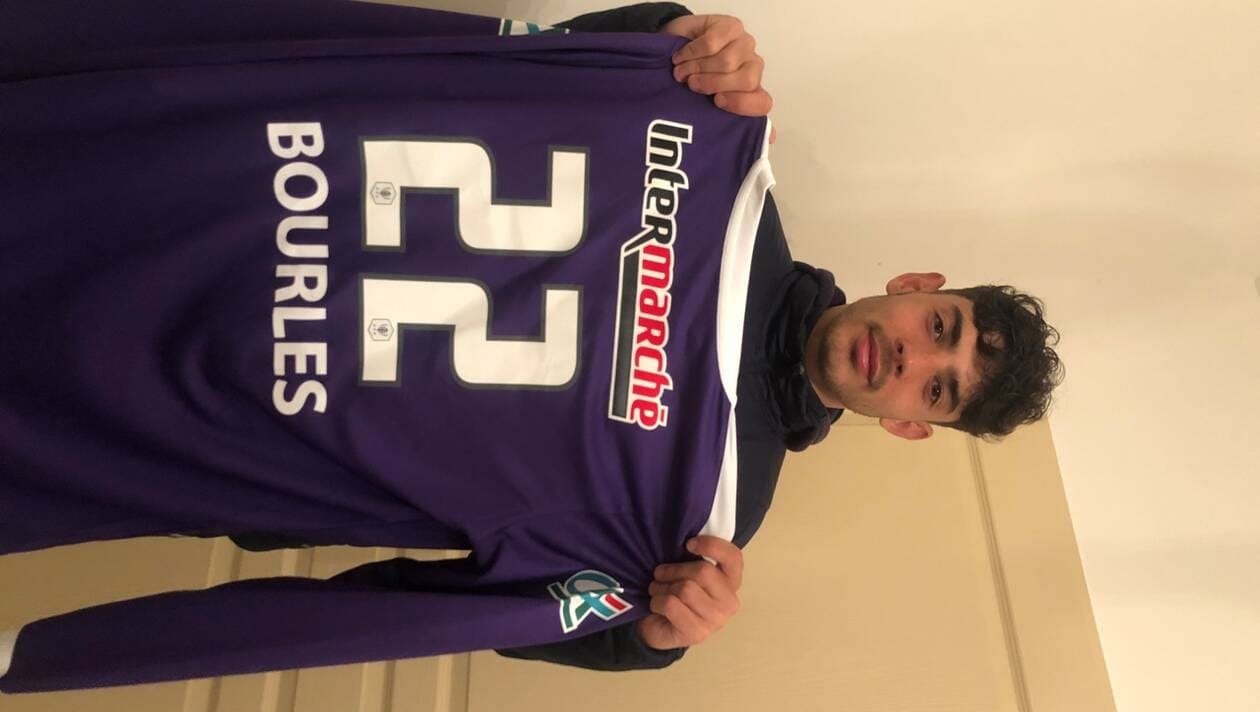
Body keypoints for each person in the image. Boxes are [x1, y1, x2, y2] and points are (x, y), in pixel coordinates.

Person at [0, 1, 1062, 692]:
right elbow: (527, 65)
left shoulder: (699, 534)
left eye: (939, 388)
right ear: (915, 287)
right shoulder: (712, 127)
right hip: (170, 205)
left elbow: (456, 611)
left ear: (913, 426)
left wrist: (643, 639)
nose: (912, 359)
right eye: (941, 327)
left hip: (157, 436)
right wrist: (669, 34)